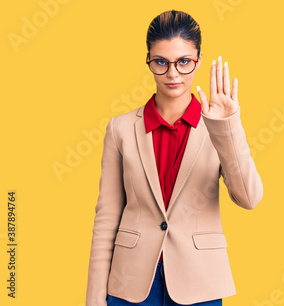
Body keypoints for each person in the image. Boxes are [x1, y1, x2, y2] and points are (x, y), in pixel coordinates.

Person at [86, 9, 264, 306]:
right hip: (130, 283)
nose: (172, 73)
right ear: (148, 61)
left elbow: (249, 198)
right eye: (161, 62)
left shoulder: (218, 126)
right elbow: (106, 217)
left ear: (198, 59)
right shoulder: (120, 128)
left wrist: (228, 127)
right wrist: (94, 298)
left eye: (184, 62)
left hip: (199, 282)